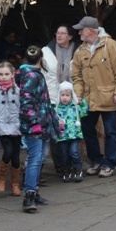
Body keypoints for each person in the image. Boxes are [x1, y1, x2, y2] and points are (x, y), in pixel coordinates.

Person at [71, 16, 116, 178]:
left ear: (91, 30)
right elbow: (77, 77)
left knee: (111, 131)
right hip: (88, 100)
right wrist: (78, 95)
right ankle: (96, 160)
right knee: (87, 130)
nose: (79, 32)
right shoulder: (80, 51)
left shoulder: (110, 45)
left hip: (109, 97)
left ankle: (109, 163)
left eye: (82, 29)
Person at [16, 45, 62, 213]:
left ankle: (33, 192)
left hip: (41, 123)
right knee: (35, 159)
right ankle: (29, 195)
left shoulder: (31, 74)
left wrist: (53, 120)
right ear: (41, 59)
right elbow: (26, 102)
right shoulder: (31, 76)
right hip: (34, 125)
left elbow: (43, 101)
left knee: (39, 158)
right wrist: (34, 123)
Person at [42, 25, 79, 173]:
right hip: (52, 96)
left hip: (71, 96)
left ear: (70, 36)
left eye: (63, 33)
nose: (59, 36)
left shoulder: (78, 51)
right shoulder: (46, 51)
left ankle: (73, 163)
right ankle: (60, 165)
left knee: (72, 130)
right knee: (56, 133)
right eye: (58, 33)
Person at [0, 62, 22, 196]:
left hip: (16, 124)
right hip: (1, 124)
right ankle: (1, 177)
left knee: (16, 156)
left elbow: (23, 105)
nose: (4, 77)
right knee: (8, 150)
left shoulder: (18, 89)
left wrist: (22, 120)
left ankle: (15, 184)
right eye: (1, 74)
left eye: (7, 74)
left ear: (12, 74)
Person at [55, 81, 88, 183]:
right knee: (64, 155)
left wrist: (82, 102)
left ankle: (78, 170)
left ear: (71, 96)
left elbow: (85, 111)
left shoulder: (75, 108)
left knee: (74, 152)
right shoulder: (56, 109)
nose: (65, 98)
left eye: (67, 95)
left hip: (74, 135)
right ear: (59, 96)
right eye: (63, 95)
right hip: (62, 136)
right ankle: (66, 172)